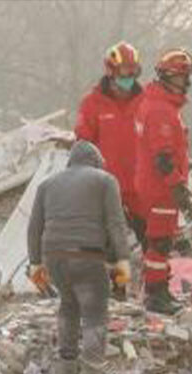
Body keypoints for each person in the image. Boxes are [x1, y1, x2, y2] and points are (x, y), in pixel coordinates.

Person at [26, 141, 130, 374]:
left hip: (54, 258)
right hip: (87, 255)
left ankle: (67, 368)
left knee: (69, 303)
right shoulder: (105, 180)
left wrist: (35, 264)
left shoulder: (47, 184)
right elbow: (115, 223)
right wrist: (122, 262)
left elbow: (34, 228)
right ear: (95, 160)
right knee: (95, 312)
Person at [133, 48, 192, 314]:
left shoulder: (157, 104)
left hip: (154, 185)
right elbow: (163, 157)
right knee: (159, 243)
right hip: (160, 188)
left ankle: (158, 291)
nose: (188, 84)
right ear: (170, 77)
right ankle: (156, 296)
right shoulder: (161, 110)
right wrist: (178, 187)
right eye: (184, 78)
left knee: (159, 242)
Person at [75, 41, 144, 244]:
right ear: (111, 71)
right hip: (106, 190)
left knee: (152, 247)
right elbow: (83, 146)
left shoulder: (146, 101)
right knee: (108, 248)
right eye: (125, 72)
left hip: (140, 192)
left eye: (134, 71)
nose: (129, 78)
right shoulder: (92, 104)